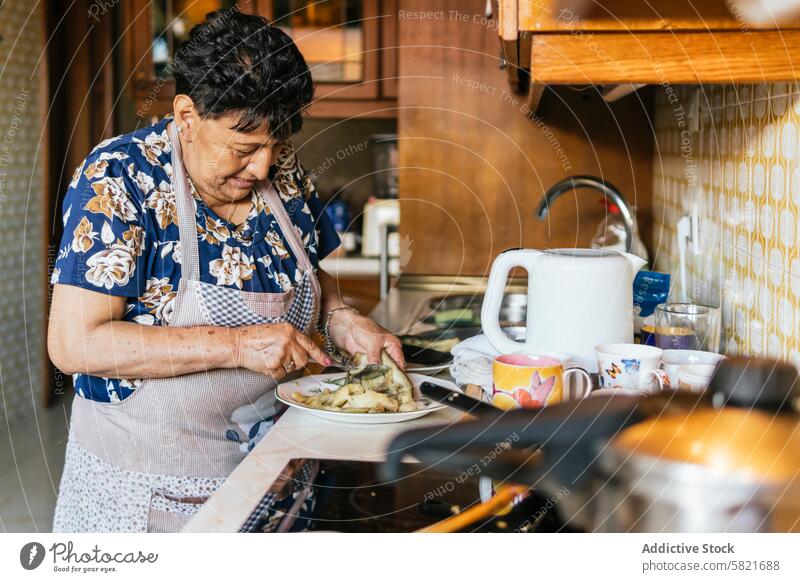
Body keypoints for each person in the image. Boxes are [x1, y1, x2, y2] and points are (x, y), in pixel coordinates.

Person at [47, 8, 405, 532]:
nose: (262, 167)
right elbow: (76, 344)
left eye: (276, 146)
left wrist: (342, 317)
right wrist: (236, 345)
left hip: (275, 475)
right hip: (146, 492)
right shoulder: (119, 180)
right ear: (187, 115)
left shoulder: (282, 177)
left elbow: (308, 272)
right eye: (245, 147)